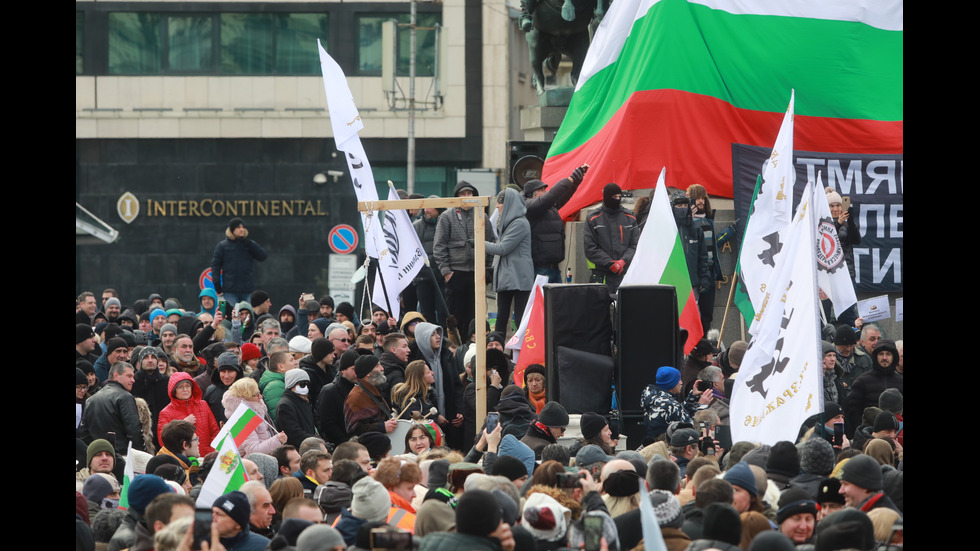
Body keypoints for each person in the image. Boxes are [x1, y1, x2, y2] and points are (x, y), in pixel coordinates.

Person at [433, 180, 493, 334]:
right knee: (455, 316)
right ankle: (456, 348)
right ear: (456, 196)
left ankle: (473, 349)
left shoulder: (482, 216)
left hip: (477, 274)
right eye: (463, 194)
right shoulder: (446, 216)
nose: (467, 197)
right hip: (456, 274)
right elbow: (439, 246)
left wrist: (486, 270)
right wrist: (447, 272)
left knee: (475, 317)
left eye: (469, 193)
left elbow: (491, 243)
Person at [523, 165, 587, 282]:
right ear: (532, 195)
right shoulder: (529, 207)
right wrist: (569, 179)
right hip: (540, 268)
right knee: (541, 300)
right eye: (541, 190)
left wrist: (575, 182)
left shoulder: (548, 207)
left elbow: (563, 195)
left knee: (557, 300)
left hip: (554, 267)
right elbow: (552, 195)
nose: (545, 192)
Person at [485, 188, 533, 335]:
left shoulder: (519, 223)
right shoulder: (507, 222)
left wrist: (480, 243)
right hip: (508, 277)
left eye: (501, 203)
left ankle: (522, 353)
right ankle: (498, 351)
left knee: (520, 318)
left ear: (510, 204)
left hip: (518, 278)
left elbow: (503, 248)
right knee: (501, 317)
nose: (497, 206)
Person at [584, 182, 640, 296]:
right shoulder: (593, 218)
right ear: (606, 197)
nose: (617, 199)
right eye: (614, 197)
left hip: (624, 275)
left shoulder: (629, 217)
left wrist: (623, 261)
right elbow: (590, 248)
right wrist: (610, 263)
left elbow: (635, 245)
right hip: (601, 276)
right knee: (600, 310)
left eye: (619, 196)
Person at [81, 362, 146, 455]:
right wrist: (140, 455)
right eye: (129, 376)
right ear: (116, 375)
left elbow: (84, 434)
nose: (133, 380)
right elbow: (134, 431)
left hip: (97, 457)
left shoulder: (90, 400)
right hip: (122, 457)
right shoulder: (125, 397)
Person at [157, 371, 221, 457]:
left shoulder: (203, 405)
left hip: (207, 457)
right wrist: (182, 424)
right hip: (184, 461)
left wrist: (211, 452)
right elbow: (164, 442)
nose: (185, 390)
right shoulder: (165, 412)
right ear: (173, 390)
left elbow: (215, 431)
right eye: (180, 387)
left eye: (188, 386)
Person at [211, 217, 269, 309]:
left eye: (243, 227)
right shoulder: (222, 246)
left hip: (247, 289)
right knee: (231, 316)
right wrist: (217, 284)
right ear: (232, 230)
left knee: (248, 316)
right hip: (230, 290)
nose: (241, 229)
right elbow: (215, 266)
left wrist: (250, 244)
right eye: (238, 227)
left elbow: (263, 256)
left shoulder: (249, 245)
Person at [276, 369, 318, 448]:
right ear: (291, 385)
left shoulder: (305, 401)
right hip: (299, 449)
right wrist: (316, 442)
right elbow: (294, 434)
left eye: (308, 384)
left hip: (309, 446)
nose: (305, 387)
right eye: (302, 384)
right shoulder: (285, 405)